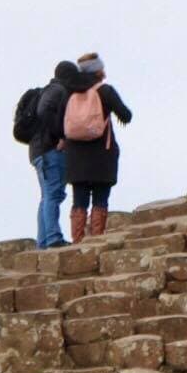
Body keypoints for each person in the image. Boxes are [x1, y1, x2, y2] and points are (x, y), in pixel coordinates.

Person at [59, 52, 131, 241]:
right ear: (98, 70)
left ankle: (78, 242)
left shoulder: (68, 93)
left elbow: (60, 122)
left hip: (75, 155)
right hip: (102, 154)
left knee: (79, 200)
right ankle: (96, 241)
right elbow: (126, 115)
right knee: (100, 198)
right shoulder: (105, 91)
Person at [27, 61, 79, 248]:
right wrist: (60, 136)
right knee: (53, 194)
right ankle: (53, 238)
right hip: (49, 150)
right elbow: (44, 111)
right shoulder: (58, 90)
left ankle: (44, 240)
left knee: (47, 195)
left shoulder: (49, 90)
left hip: (38, 151)